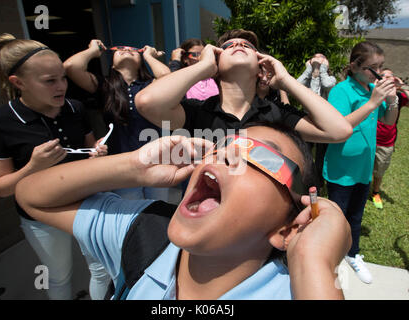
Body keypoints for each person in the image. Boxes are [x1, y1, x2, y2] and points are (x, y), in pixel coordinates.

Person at [15, 122, 351, 300]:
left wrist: (312, 260)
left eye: (262, 157)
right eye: (225, 145)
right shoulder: (144, 231)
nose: (228, 155)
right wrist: (134, 165)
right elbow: (32, 196)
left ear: (287, 229)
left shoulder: (296, 291)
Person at [0, 34, 110, 300]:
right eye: (50, 81)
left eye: (62, 77)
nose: (61, 85)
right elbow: (1, 188)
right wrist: (33, 167)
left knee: (101, 270)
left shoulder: (75, 108)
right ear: (19, 83)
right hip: (41, 215)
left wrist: (97, 153)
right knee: (59, 275)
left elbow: (89, 149)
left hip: (86, 204)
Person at [135, 29, 352, 144]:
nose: (238, 45)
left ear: (260, 66)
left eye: (247, 46)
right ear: (216, 66)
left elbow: (339, 130)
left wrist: (286, 80)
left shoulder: (276, 114)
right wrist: (203, 67)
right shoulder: (197, 112)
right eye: (228, 46)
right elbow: (147, 102)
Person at [322, 42, 399, 284]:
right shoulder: (341, 91)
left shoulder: (372, 90)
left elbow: (388, 120)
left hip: (363, 169)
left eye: (380, 67)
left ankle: (352, 254)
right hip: (340, 169)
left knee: (355, 216)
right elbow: (339, 126)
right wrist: (372, 102)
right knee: (335, 217)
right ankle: (328, 259)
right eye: (371, 68)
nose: (376, 73)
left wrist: (393, 101)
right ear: (355, 66)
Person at [63, 39, 173, 201]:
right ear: (112, 64)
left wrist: (149, 56)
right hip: (121, 165)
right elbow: (71, 67)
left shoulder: (150, 85)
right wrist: (93, 50)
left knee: (158, 207)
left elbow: (165, 76)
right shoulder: (104, 85)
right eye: (120, 49)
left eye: (134, 50)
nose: (127, 50)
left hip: (154, 160)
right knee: (130, 214)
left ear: (140, 62)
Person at [297, 53, 337, 190]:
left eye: (322, 58)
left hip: (324, 122)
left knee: (321, 155)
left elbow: (326, 85)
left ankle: (319, 183)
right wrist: (310, 70)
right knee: (305, 152)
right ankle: (305, 179)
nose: (318, 60)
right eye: (315, 57)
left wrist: (322, 70)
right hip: (307, 121)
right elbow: (295, 85)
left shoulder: (331, 78)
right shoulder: (307, 78)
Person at [372, 68, 409, 209]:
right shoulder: (372, 92)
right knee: (363, 169)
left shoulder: (397, 97)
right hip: (368, 140)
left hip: (386, 142)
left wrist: (401, 85)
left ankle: (375, 192)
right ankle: (361, 193)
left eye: (390, 77)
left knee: (379, 171)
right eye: (384, 76)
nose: (388, 79)